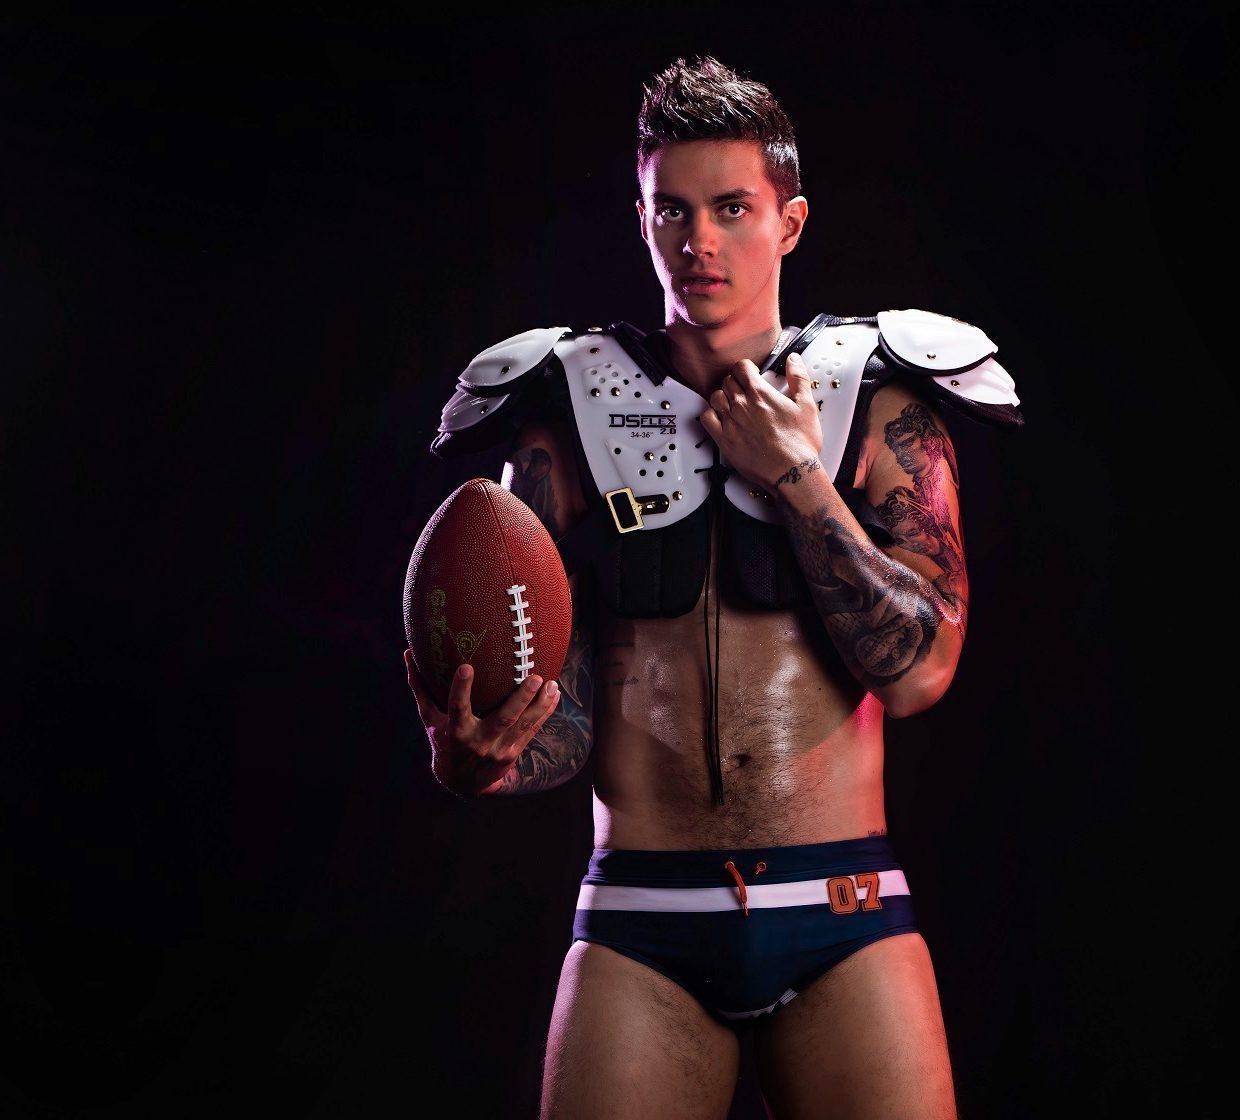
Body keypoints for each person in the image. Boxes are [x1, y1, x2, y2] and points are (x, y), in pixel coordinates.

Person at [403, 54, 1021, 1119]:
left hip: (843, 913)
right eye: (672, 211)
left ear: (789, 220)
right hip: (641, 920)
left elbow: (921, 672)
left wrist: (795, 478)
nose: (699, 242)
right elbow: (559, 720)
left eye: (732, 208)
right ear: (640, 220)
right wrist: (481, 760)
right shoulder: (567, 417)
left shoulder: (878, 407)